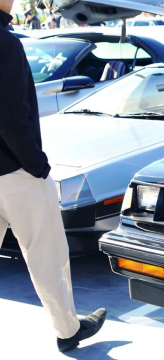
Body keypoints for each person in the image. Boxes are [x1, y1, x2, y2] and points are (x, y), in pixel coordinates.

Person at [0, 0, 106, 353]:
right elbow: (13, 118)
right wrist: (38, 165)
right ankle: (67, 329)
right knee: (48, 254)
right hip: (16, 172)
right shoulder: (5, 43)